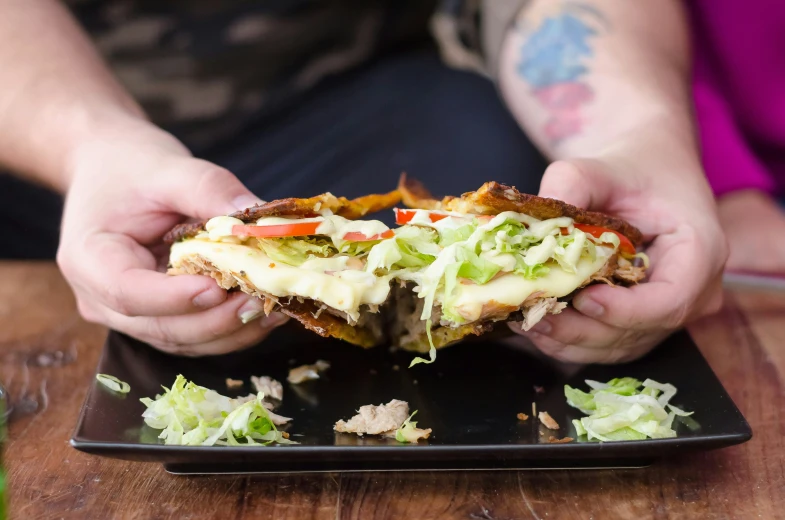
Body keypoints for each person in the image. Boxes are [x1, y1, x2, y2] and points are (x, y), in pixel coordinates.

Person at [0, 0, 726, 363]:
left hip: (350, 96)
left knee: (497, 160)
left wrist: (630, 133)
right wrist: (91, 143)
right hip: (41, 130)